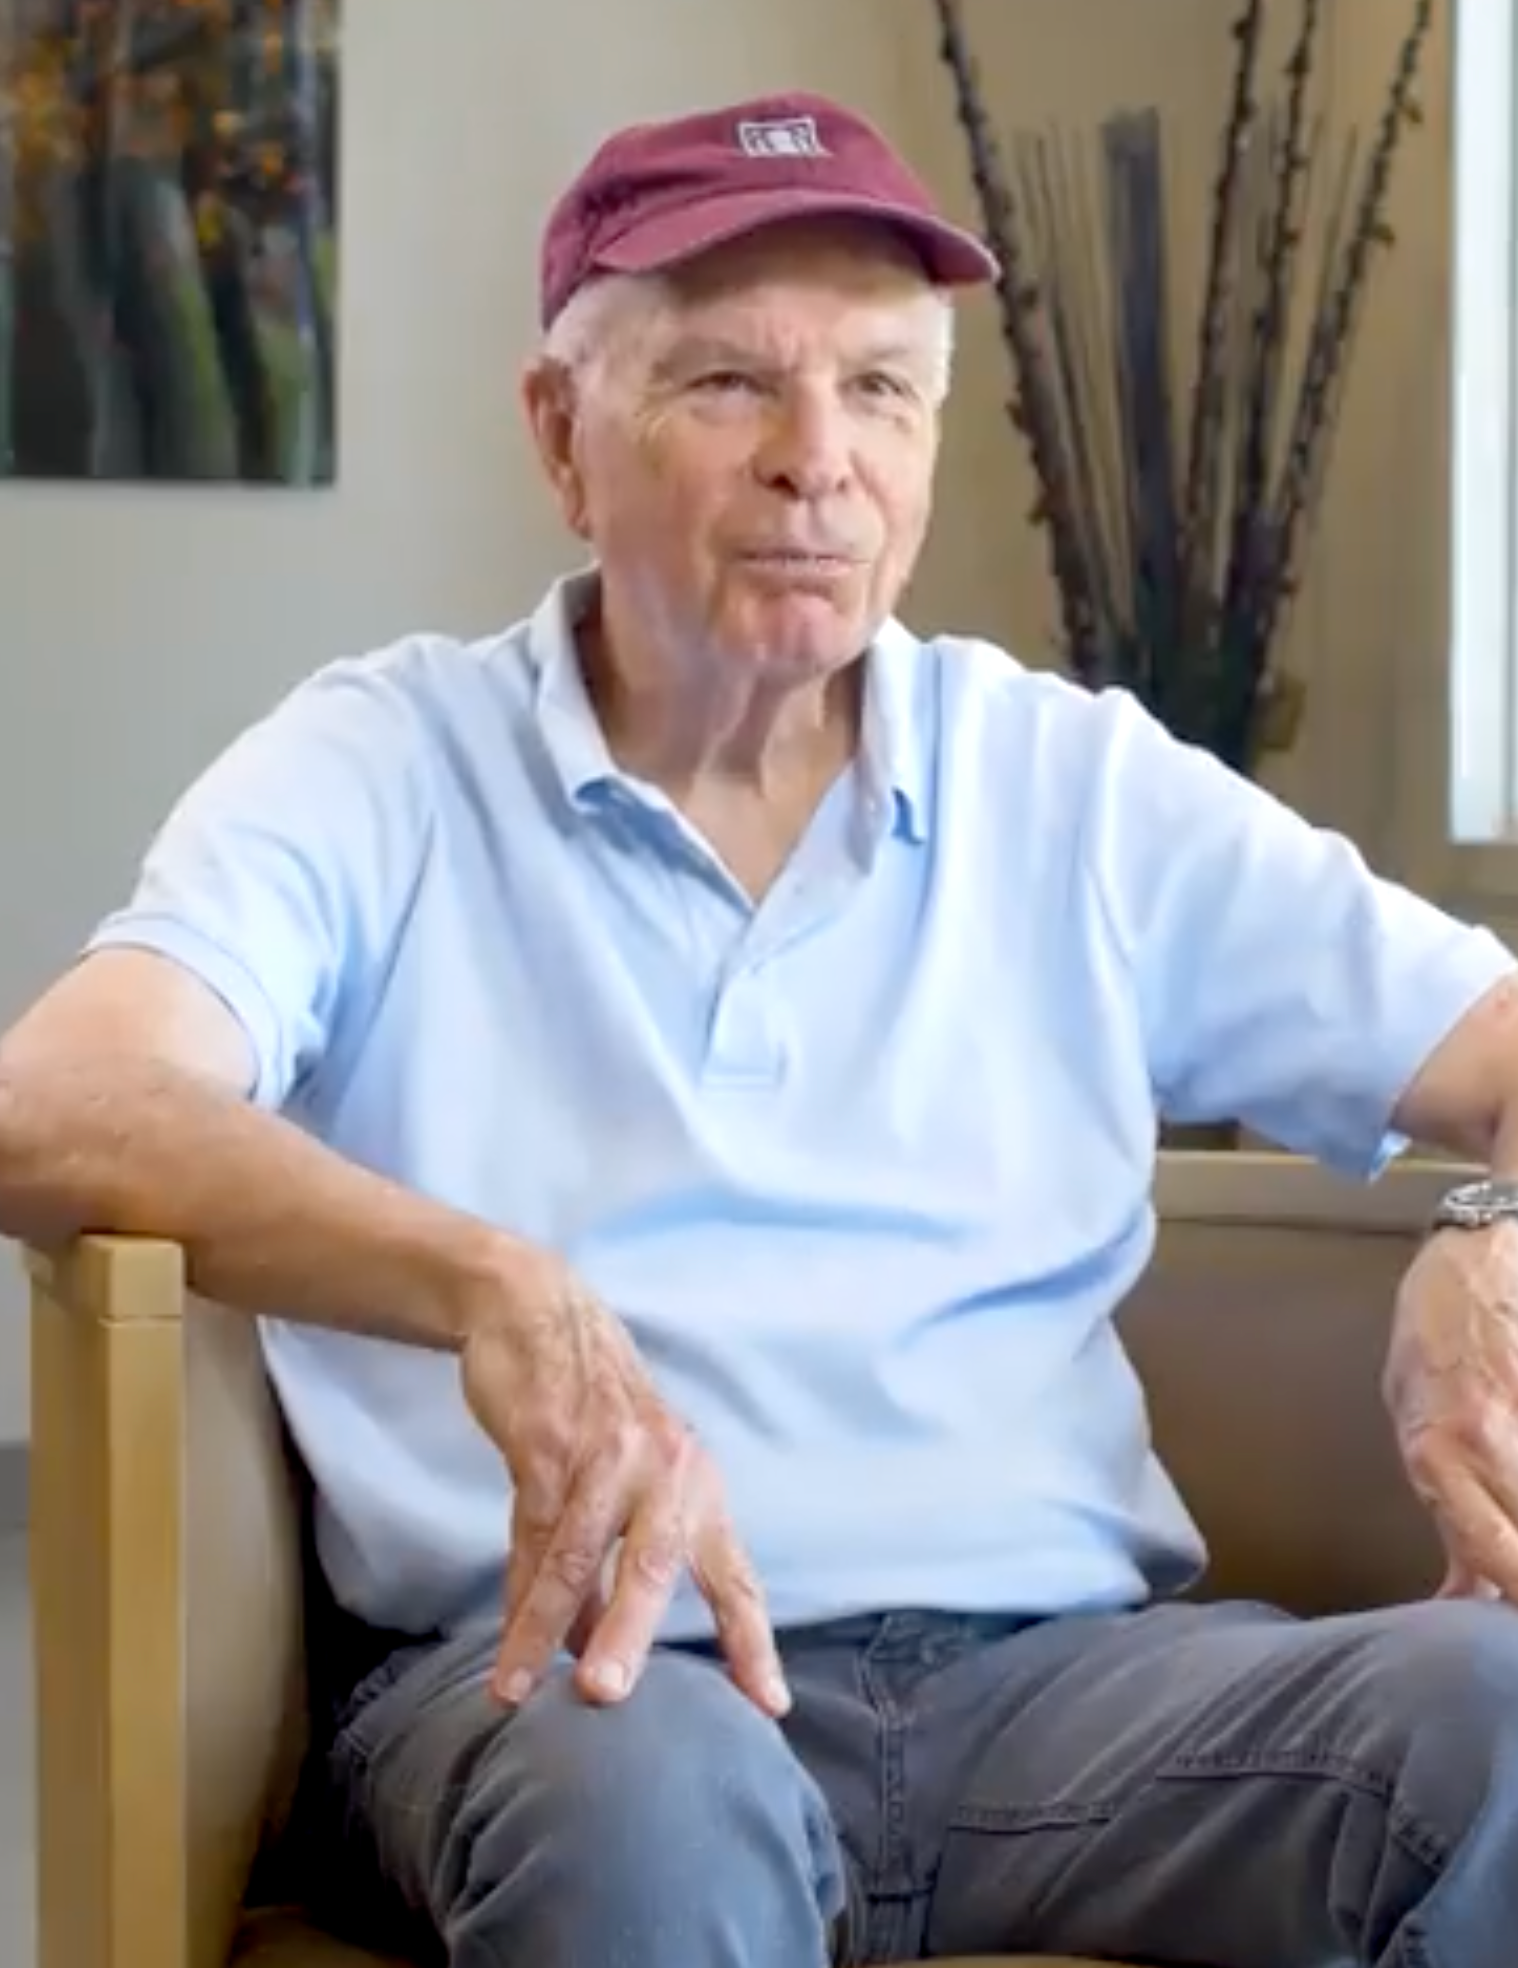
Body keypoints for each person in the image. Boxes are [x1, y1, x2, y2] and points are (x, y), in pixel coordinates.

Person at [2, 87, 1518, 1968]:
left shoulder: (1068, 779)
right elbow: (56, 1097)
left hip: (1066, 1696)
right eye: (727, 383)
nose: (819, 461)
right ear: (561, 436)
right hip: (577, 1687)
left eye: (879, 391)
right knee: (653, 1814)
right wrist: (493, 1286)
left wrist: (1486, 1227)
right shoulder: (382, 763)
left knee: (1495, 1723)